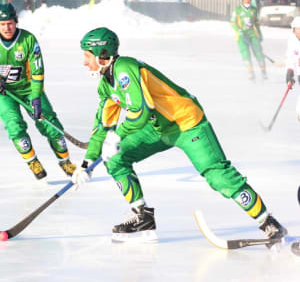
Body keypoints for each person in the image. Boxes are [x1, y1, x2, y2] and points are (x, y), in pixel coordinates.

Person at [71, 27, 287, 245]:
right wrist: (86, 162)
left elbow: (140, 110)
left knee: (218, 176)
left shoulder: (125, 69)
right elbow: (101, 127)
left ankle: (267, 222)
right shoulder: (105, 86)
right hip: (158, 129)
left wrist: (117, 136)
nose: (84, 62)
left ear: (102, 54)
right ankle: (142, 216)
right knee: (116, 160)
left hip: (187, 123)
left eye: (87, 56)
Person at [0, 3, 76, 180]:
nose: (7, 28)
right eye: (2, 24)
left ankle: (65, 161)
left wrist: (35, 97)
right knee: (14, 126)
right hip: (2, 93)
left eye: (10, 23)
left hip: (28, 88)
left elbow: (37, 71)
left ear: (16, 22)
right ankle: (32, 161)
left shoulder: (28, 40)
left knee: (49, 123)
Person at [231, 0, 267, 81]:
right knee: (246, 54)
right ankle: (250, 72)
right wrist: (238, 30)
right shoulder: (237, 10)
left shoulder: (254, 10)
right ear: (242, 0)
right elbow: (232, 22)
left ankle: (263, 71)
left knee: (259, 52)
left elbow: (257, 23)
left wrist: (260, 34)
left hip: (252, 34)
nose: (247, 1)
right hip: (241, 35)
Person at [285, 16, 300, 121]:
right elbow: (290, 57)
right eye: (296, 29)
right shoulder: (292, 41)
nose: (298, 32)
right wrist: (290, 72)